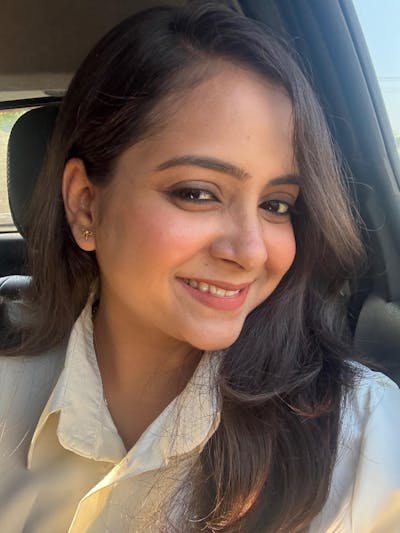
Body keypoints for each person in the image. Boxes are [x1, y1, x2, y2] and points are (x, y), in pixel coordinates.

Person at [0, 2, 399, 532]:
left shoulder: (364, 444)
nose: (251, 252)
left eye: (276, 204)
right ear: (85, 204)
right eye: (197, 193)